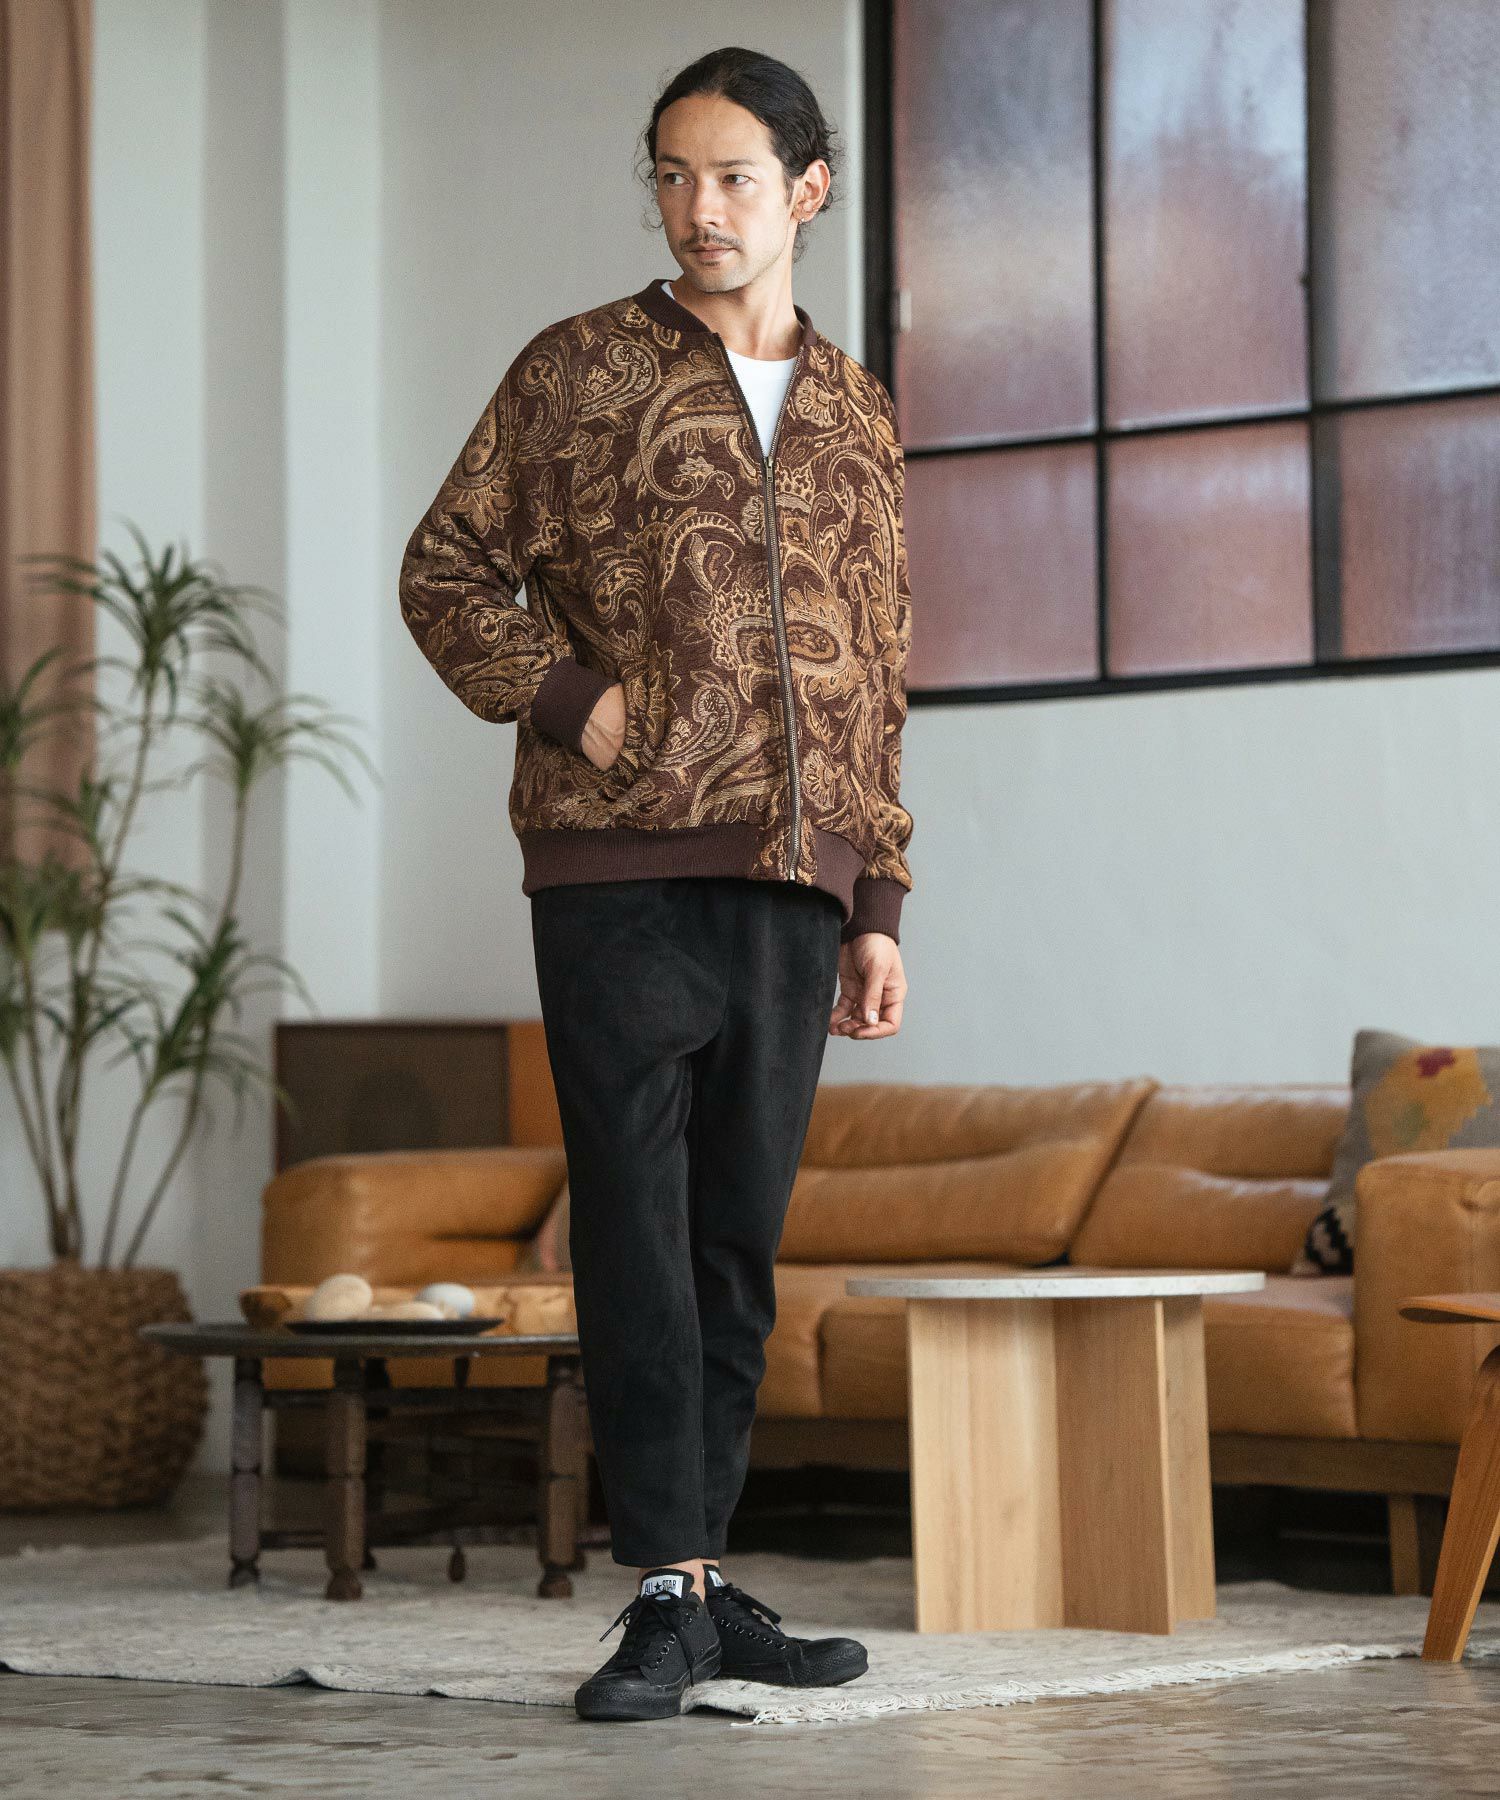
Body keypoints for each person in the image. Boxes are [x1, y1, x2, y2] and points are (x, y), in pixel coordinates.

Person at [398, 44, 914, 1723]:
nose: (700, 209)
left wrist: (879, 900)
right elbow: (445, 568)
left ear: (806, 191)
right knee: (633, 1229)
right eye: (674, 177)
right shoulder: (577, 370)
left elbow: (876, 669)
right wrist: (575, 701)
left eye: (735, 178)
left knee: (735, 1243)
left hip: (794, 881)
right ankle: (664, 1593)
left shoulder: (857, 412)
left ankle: (697, 1580)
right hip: (613, 866)